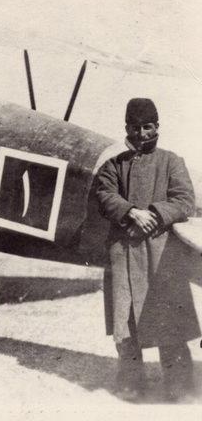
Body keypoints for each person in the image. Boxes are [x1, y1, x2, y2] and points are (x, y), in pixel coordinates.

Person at [96, 98, 199, 402]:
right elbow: (104, 195)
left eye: (147, 126)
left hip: (161, 254)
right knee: (125, 321)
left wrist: (151, 213)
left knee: (169, 317)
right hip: (124, 252)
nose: (141, 133)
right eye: (134, 127)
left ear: (157, 127)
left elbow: (184, 201)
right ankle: (131, 381)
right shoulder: (113, 164)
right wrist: (130, 212)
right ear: (126, 127)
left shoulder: (172, 161)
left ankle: (179, 383)